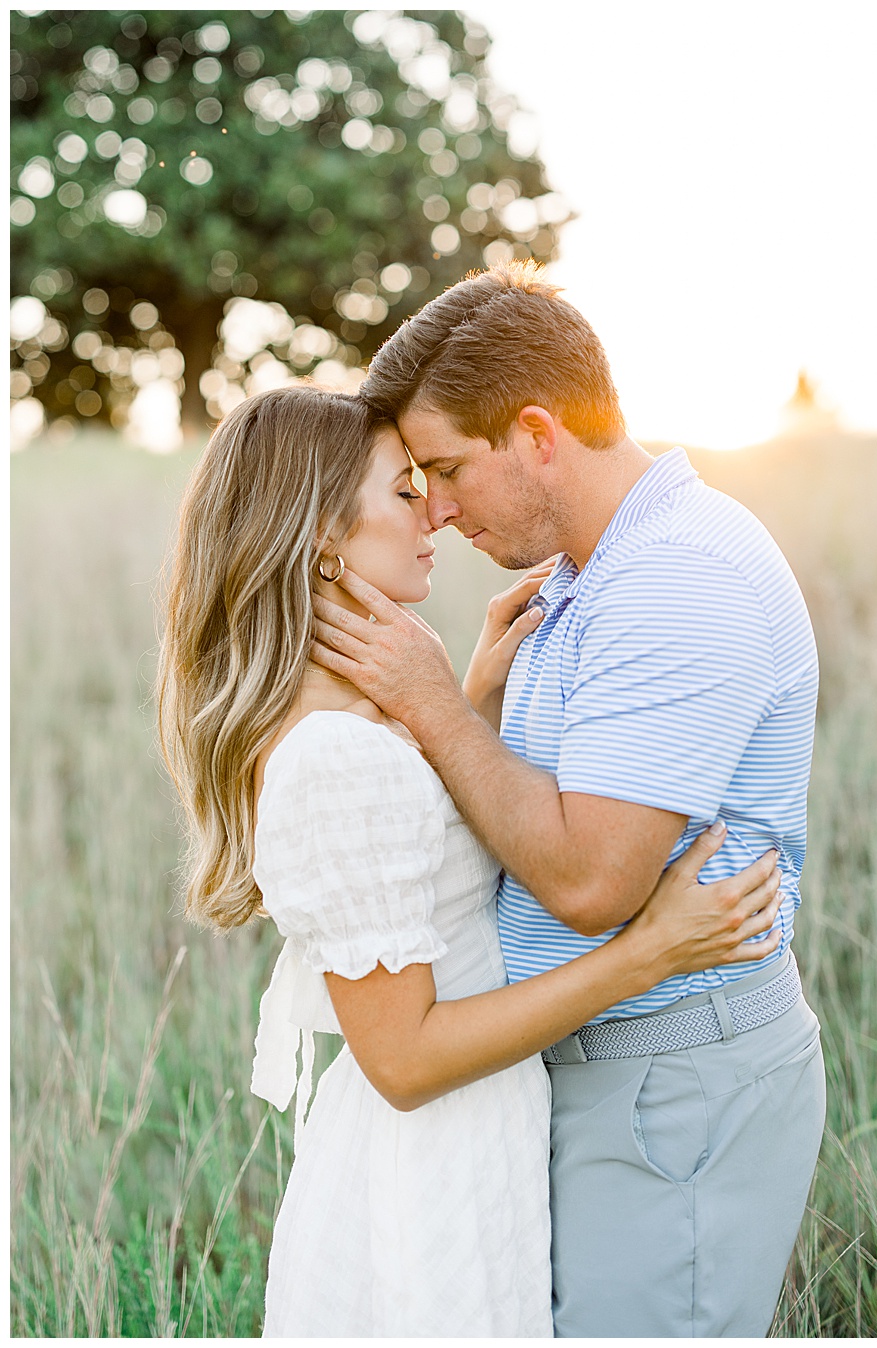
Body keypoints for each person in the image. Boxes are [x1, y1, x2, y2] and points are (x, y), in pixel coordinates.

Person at [156, 386, 783, 1336]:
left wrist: (466, 698)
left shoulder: (366, 719)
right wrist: (644, 953)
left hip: (479, 1132)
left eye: (435, 479)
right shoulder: (331, 759)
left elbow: (432, 873)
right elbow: (404, 1060)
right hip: (430, 1167)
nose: (434, 515)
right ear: (322, 536)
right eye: (407, 490)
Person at [309, 261, 827, 1337]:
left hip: (667, 1083)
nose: (436, 511)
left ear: (538, 434)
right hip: (602, 1067)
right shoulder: (596, 572)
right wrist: (470, 699)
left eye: (447, 468)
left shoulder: (678, 575)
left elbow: (595, 881)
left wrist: (436, 709)